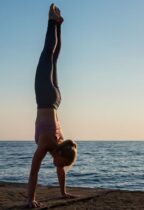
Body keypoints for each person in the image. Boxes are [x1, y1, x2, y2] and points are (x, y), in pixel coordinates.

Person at [27, 4, 78, 208]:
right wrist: (30, 199)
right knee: (47, 55)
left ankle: (58, 24)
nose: (60, 167)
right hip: (47, 98)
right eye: (61, 163)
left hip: (56, 100)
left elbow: (59, 169)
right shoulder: (48, 144)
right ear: (58, 154)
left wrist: (64, 193)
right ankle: (52, 21)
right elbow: (34, 171)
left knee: (54, 59)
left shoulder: (60, 145)